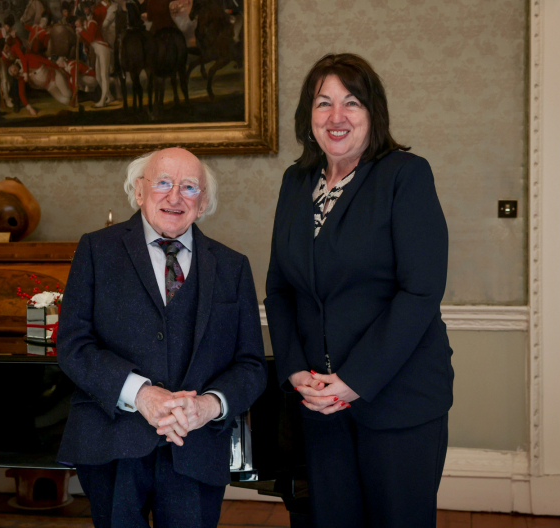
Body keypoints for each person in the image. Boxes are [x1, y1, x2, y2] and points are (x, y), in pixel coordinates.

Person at [265, 53, 453, 528]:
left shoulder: (405, 175)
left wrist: (355, 380)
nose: (336, 117)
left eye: (352, 103)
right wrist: (293, 372)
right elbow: (280, 289)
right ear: (308, 117)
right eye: (323, 103)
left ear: (373, 114)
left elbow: (421, 292)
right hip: (318, 405)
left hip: (397, 400)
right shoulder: (295, 182)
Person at [57, 147, 267, 528]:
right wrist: (141, 394)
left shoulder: (233, 266)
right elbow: (73, 345)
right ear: (139, 192)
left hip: (196, 446)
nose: (175, 197)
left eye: (189, 187)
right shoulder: (96, 250)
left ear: (202, 203)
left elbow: (251, 365)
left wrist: (207, 406)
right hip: (112, 441)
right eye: (163, 183)